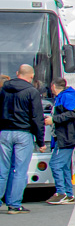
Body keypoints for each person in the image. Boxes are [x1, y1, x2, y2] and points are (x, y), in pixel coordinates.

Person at [1, 65, 46, 213]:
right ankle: (14, 205)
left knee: (2, 170)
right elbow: (37, 118)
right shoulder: (32, 92)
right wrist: (40, 141)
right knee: (19, 171)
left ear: (17, 73)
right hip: (23, 134)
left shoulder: (4, 89)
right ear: (31, 76)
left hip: (4, 133)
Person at [45, 78, 75, 204]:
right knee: (64, 166)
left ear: (53, 86)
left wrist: (53, 119)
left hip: (67, 137)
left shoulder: (67, 96)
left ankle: (61, 193)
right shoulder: (66, 96)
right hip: (66, 136)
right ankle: (68, 194)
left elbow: (72, 113)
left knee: (55, 164)